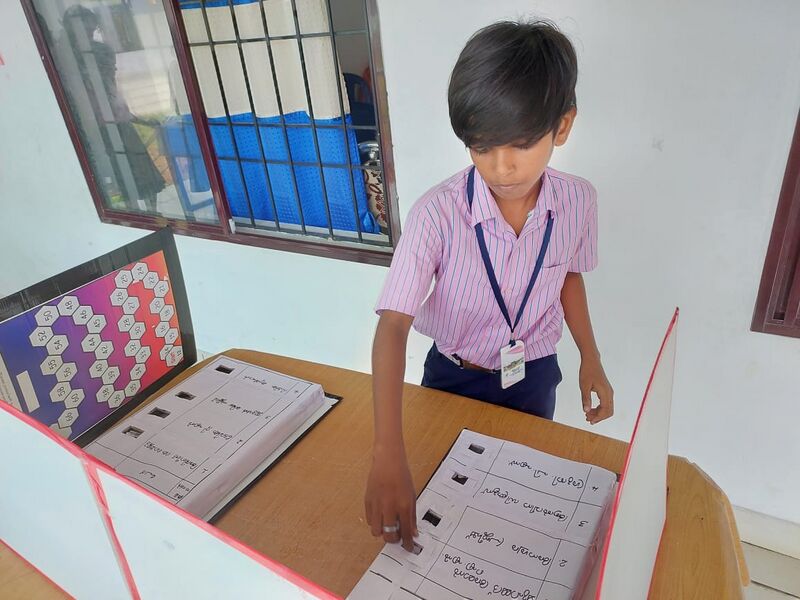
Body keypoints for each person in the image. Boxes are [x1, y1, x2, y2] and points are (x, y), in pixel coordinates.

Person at [365, 20, 614, 551]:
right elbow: (392, 325)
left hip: (534, 375)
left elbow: (568, 276)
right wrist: (387, 450)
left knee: (514, 508)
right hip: (454, 377)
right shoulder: (437, 213)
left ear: (563, 125)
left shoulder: (578, 202)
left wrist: (590, 357)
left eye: (522, 144)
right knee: (443, 510)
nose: (501, 167)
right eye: (481, 148)